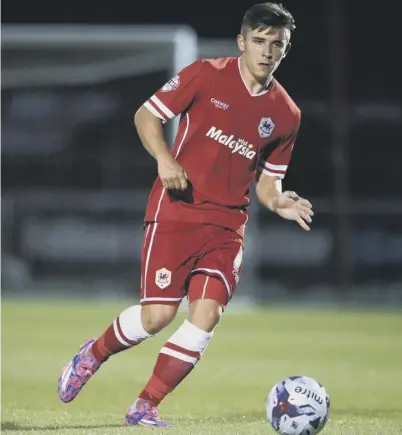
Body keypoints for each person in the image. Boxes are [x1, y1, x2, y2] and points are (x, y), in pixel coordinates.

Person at [57, 2, 314, 427]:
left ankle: (146, 404)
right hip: (176, 211)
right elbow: (146, 115)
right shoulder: (205, 74)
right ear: (242, 41)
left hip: (227, 226)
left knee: (206, 315)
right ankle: (93, 354)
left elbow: (269, 183)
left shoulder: (286, 114)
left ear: (286, 50)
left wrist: (279, 200)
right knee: (157, 316)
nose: (267, 52)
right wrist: (163, 158)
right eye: (260, 41)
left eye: (278, 45)